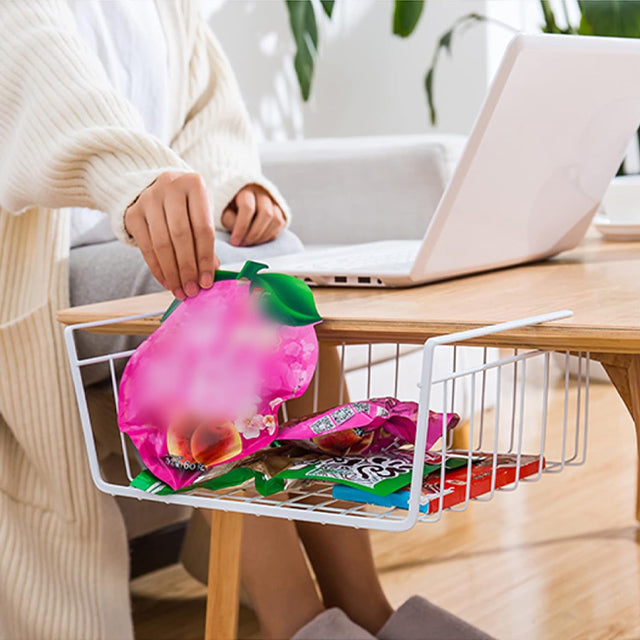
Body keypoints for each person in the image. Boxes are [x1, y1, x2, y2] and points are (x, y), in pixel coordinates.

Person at [0, 2, 493, 639]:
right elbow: (43, 86)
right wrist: (136, 176)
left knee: (284, 285)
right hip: (38, 264)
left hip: (150, 250)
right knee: (219, 299)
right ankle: (300, 621)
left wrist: (235, 188)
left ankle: (365, 607)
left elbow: (208, 120)